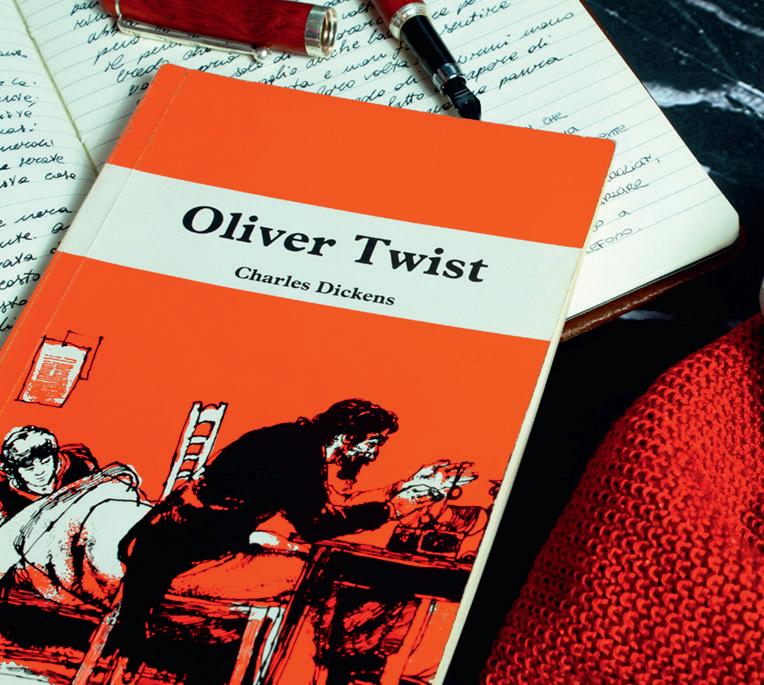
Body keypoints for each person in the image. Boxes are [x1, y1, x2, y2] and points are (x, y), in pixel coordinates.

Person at [112, 398, 439, 668]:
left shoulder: (294, 442)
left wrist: (398, 491)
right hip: (185, 557)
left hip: (182, 542)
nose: (373, 454)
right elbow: (318, 524)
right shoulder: (297, 455)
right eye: (373, 443)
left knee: (303, 563)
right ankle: (300, 669)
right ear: (347, 437)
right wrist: (393, 508)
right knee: (315, 580)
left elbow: (328, 504)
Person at [0, 425, 99, 523]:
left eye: (46, 462)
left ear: (55, 457)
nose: (39, 471)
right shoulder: (6, 497)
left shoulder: (80, 463)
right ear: (13, 470)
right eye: (30, 468)